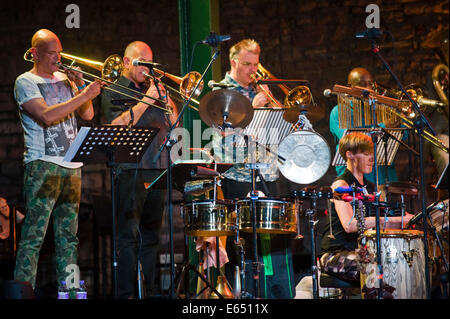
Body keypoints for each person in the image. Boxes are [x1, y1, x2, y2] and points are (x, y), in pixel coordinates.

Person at [13, 29, 102, 292]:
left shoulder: (65, 78)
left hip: (71, 166)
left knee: (69, 239)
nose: (58, 58)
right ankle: (22, 293)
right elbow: (47, 116)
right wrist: (83, 95)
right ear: (35, 53)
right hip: (43, 165)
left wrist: (81, 85)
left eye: (59, 52)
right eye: (52, 53)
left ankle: (71, 293)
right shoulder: (25, 81)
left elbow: (87, 114)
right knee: (33, 237)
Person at [212, 39, 295, 299]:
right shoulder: (221, 91)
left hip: (268, 173)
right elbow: (227, 142)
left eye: (256, 65)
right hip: (239, 175)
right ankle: (247, 294)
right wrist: (255, 109)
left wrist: (280, 113)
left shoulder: (262, 90)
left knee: (274, 238)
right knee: (246, 241)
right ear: (234, 62)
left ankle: (275, 291)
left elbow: (281, 131)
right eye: (247, 64)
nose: (253, 71)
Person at [100, 41, 178, 298]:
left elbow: (174, 122)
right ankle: (126, 293)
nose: (146, 69)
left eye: (149, 63)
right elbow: (115, 125)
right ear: (126, 62)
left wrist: (166, 100)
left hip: (156, 168)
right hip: (129, 169)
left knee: (152, 236)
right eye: (141, 63)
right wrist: (147, 99)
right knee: (128, 237)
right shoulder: (112, 90)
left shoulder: (153, 89)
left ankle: (151, 290)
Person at [319, 132, 413, 287]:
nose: (372, 158)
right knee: (374, 269)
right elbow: (350, 225)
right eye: (366, 154)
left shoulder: (371, 188)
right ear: (349, 155)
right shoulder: (341, 185)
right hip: (335, 254)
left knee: (398, 265)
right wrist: (394, 219)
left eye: (372, 154)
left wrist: (410, 221)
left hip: (362, 252)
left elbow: (385, 224)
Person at [329, 67, 401, 186]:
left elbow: (401, 139)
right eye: (363, 84)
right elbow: (351, 141)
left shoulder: (380, 110)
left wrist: (400, 121)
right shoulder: (338, 112)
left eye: (370, 84)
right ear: (350, 87)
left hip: (385, 176)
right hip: (354, 180)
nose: (368, 88)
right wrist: (383, 126)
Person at [0, 197, 25, 280]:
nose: (4, 209)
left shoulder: (13, 212)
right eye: (1, 208)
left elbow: (23, 220)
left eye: (5, 206)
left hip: (12, 253)